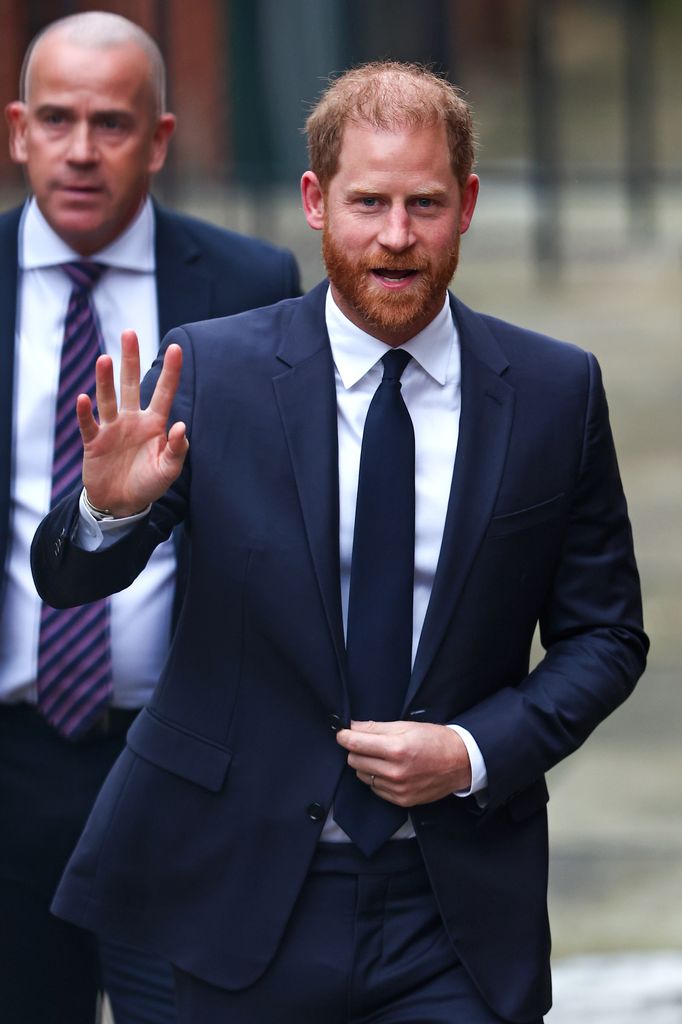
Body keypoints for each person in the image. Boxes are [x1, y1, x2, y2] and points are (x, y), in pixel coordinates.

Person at [32, 62, 647, 1024]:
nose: (396, 238)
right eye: (369, 202)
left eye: (424, 204)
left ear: (469, 204)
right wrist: (105, 510)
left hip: (455, 913)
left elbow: (607, 638)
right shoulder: (217, 373)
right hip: (248, 898)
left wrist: (473, 749)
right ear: (317, 202)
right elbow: (68, 583)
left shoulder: (553, 391)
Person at [0, 11, 300, 1024]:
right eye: (57, 119)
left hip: (175, 760)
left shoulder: (249, 289)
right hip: (8, 760)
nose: (81, 149)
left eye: (112, 124)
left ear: (161, 139)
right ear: (17, 131)